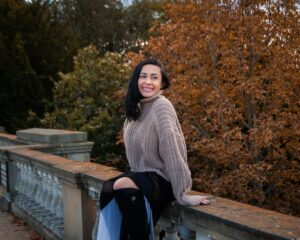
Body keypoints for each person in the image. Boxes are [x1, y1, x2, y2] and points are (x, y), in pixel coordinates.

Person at [96, 59, 210, 240]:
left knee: (120, 184)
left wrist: (182, 193)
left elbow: (172, 150)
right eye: (143, 76)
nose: (148, 81)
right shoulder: (136, 109)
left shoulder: (161, 106)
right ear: (136, 80)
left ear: (161, 83)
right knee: (108, 188)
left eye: (154, 77)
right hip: (144, 176)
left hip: (163, 180)